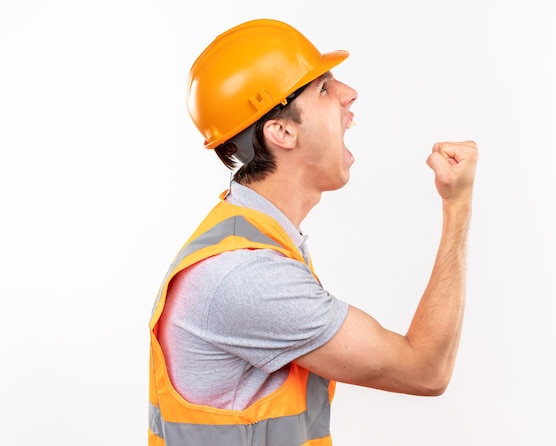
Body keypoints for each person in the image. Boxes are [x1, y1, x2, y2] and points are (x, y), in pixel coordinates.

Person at [148, 18, 478, 446]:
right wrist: (458, 205)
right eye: (323, 88)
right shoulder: (247, 275)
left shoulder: (254, 241)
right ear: (281, 131)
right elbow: (425, 371)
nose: (348, 94)